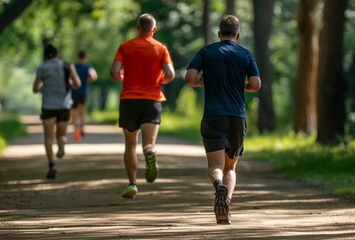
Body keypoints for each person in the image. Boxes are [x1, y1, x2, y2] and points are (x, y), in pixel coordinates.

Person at [184, 15, 261, 224]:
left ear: (219, 34)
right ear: (238, 34)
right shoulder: (245, 54)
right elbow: (255, 84)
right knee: (230, 168)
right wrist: (241, 86)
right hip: (237, 116)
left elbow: (190, 78)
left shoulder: (207, 52)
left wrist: (202, 83)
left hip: (213, 115)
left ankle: (218, 186)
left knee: (215, 166)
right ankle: (224, 206)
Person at [109, 13, 175, 198]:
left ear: (138, 28)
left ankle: (132, 184)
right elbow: (170, 74)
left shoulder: (125, 46)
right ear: (154, 29)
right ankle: (150, 152)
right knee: (148, 143)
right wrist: (159, 79)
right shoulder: (161, 48)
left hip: (129, 101)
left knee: (130, 145)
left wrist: (121, 77)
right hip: (151, 101)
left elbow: (114, 71)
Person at [32, 45, 82, 179]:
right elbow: (78, 83)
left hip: (48, 106)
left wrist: (44, 88)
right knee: (61, 134)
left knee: (48, 138)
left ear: (46, 55)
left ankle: (52, 165)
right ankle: (62, 144)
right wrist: (68, 83)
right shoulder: (67, 65)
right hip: (64, 105)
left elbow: (35, 88)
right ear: (57, 54)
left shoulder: (42, 68)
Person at [71, 50, 99, 142]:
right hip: (83, 92)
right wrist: (89, 79)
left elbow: (69, 78)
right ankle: (82, 126)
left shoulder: (74, 66)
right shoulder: (88, 67)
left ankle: (76, 128)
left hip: (74, 92)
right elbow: (94, 75)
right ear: (85, 57)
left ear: (78, 57)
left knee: (74, 112)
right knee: (82, 111)